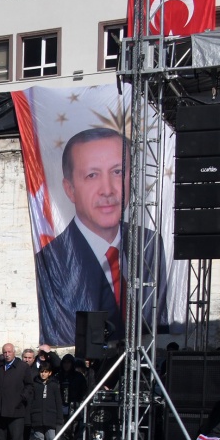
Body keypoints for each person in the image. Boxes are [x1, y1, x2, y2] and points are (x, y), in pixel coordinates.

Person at [34, 127, 167, 348]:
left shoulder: (150, 242)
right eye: (92, 175)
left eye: (117, 172)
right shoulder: (52, 258)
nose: (107, 190)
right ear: (70, 189)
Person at [28, 361, 66, 440]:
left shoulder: (54, 385)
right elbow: (31, 400)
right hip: (37, 415)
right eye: (41, 372)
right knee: (39, 438)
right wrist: (30, 415)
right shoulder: (35, 384)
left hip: (50, 416)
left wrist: (59, 418)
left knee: (51, 438)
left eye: (45, 372)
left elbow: (58, 402)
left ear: (50, 373)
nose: (43, 374)